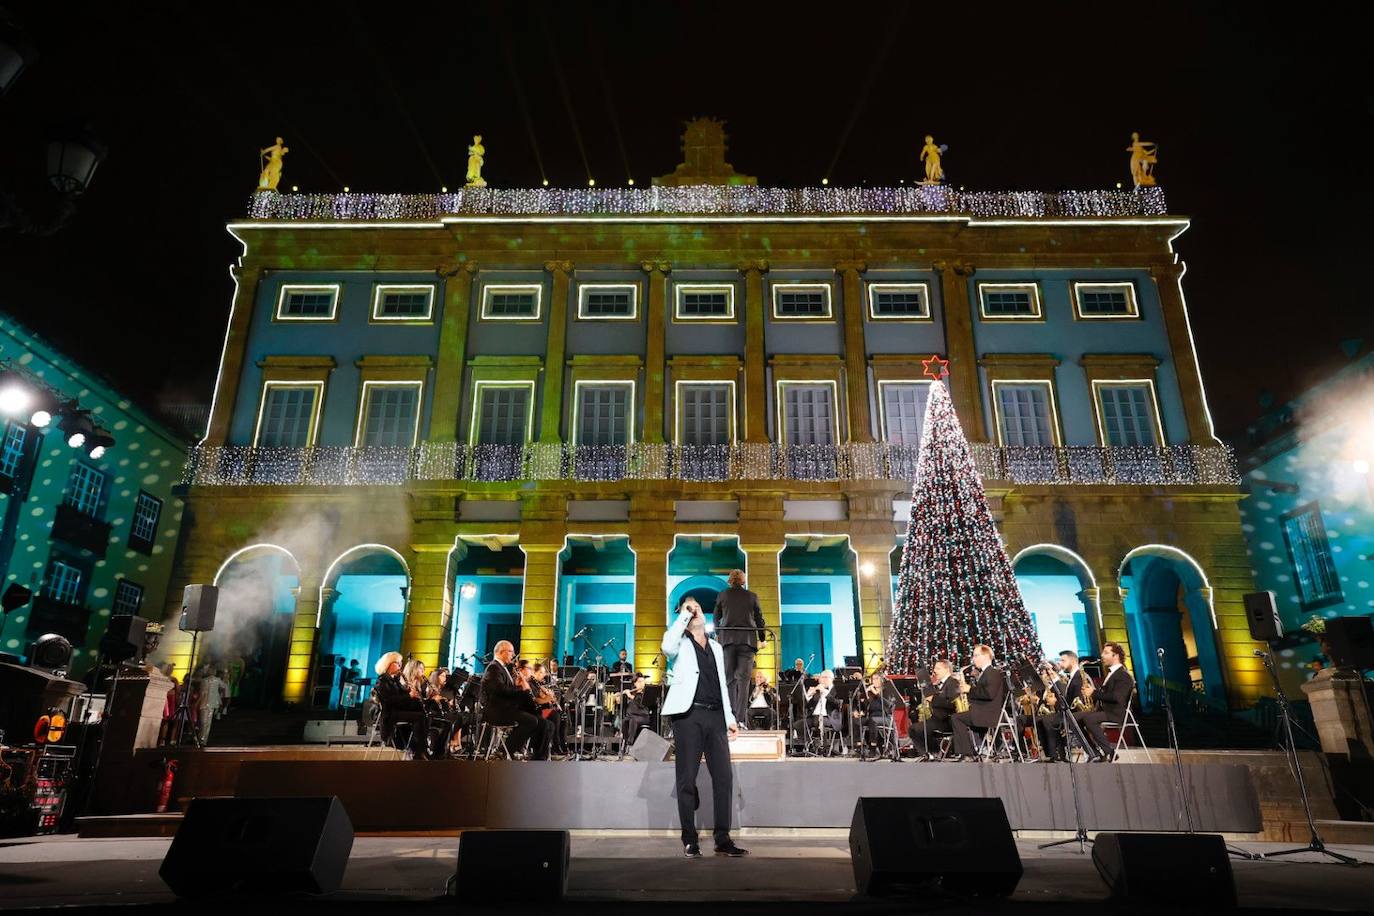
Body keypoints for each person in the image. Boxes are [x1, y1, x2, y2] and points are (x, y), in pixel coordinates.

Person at [660, 594, 747, 858]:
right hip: (688, 716)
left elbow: (722, 684)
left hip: (716, 716)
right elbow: (666, 646)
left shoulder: (717, 647)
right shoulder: (679, 642)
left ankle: (723, 839)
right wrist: (684, 614)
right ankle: (690, 839)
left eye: (696, 606)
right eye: (689, 608)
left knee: (724, 777)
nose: (694, 609)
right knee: (687, 778)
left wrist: (730, 718)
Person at [712, 570, 767, 727]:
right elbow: (759, 619)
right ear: (743, 581)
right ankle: (740, 719)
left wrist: (718, 633)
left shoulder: (723, 595)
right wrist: (762, 638)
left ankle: (730, 717)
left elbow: (716, 617)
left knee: (729, 679)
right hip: (747, 641)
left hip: (727, 640)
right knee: (743, 681)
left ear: (730, 581)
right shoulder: (752, 596)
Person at [480, 640, 550, 760]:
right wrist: (521, 689)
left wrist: (516, 685)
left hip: (506, 709)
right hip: (497, 711)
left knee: (540, 722)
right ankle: (504, 750)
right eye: (511, 652)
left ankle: (535, 756)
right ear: (501, 652)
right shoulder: (493, 668)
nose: (513, 655)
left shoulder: (501, 667)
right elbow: (500, 690)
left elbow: (506, 689)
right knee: (531, 721)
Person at [1074, 642, 1135, 762]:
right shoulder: (1112, 673)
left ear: (1116, 656)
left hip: (1117, 714)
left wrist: (1094, 693)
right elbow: (1107, 695)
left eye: (1106, 653)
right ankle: (1093, 752)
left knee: (1089, 719)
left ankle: (1109, 752)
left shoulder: (1123, 675)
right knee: (1073, 719)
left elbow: (1117, 698)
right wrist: (1091, 693)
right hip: (1105, 711)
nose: (1102, 655)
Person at [950, 645, 1007, 760]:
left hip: (987, 715)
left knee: (956, 718)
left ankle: (967, 753)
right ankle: (969, 752)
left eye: (976, 655)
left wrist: (970, 689)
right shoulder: (985, 673)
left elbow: (989, 694)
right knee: (956, 717)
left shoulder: (993, 672)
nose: (973, 659)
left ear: (986, 656)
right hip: (982, 712)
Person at [374, 652, 430, 758]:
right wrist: (409, 695)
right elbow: (389, 701)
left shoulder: (395, 680)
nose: (400, 665)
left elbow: (402, 697)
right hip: (390, 715)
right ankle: (418, 750)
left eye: (400, 663)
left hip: (398, 712)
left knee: (423, 712)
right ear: (388, 664)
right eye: (397, 663)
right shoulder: (382, 681)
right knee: (420, 717)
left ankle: (420, 748)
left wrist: (412, 694)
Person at [1038, 651, 1087, 762]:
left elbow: (1068, 701)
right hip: (1062, 712)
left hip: (1071, 713)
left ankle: (1056, 754)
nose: (1044, 675)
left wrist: (1054, 703)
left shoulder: (1062, 683)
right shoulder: (1046, 687)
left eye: (1062, 660)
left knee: (1047, 721)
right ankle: (1053, 753)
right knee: (1043, 720)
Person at [911, 660, 959, 759]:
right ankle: (930, 753)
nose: (935, 671)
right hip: (937, 718)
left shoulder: (953, 683)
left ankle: (933, 752)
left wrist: (934, 699)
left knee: (919, 729)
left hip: (946, 720)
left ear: (947, 669)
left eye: (938, 668)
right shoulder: (941, 684)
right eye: (934, 668)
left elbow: (952, 704)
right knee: (913, 729)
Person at [854, 671, 894, 760]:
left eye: (876, 679)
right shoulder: (870, 693)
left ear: (881, 680)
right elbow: (865, 708)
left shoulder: (886, 691)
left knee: (873, 720)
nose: (874, 681)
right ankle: (860, 747)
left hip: (885, 717)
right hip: (872, 716)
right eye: (873, 679)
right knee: (857, 721)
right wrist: (863, 700)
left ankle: (873, 747)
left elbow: (888, 706)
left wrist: (876, 694)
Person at [196, 667, 226, 746]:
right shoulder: (215, 680)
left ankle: (201, 739)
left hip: (205, 703)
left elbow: (202, 693)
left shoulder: (205, 680)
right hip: (210, 703)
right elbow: (224, 686)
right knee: (206, 722)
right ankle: (202, 739)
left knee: (203, 722)